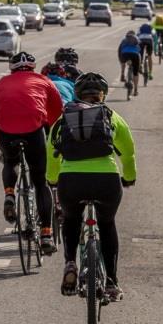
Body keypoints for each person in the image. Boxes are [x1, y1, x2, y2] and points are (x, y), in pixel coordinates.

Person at [46, 71, 136, 301]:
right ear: (102, 95)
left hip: (71, 181)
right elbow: (128, 153)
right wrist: (129, 177)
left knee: (72, 219)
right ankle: (112, 283)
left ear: (77, 94)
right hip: (106, 181)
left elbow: (51, 154)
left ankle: (70, 263)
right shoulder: (111, 116)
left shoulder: (64, 118)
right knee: (107, 224)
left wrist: (53, 179)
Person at [0, 51, 63, 255]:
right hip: (33, 132)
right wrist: (51, 136)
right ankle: (46, 234)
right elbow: (57, 112)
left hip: (6, 131)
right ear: (33, 67)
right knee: (40, 183)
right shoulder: (44, 81)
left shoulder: (0, 83)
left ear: (11, 68)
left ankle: (9, 194)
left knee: (9, 162)